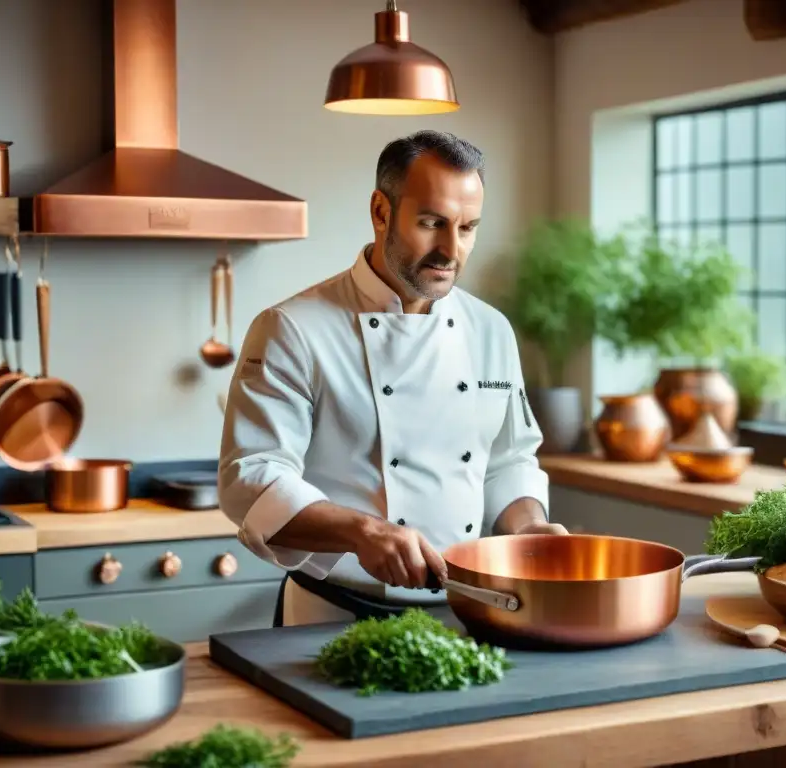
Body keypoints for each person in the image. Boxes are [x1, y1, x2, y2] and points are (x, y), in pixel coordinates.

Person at [218, 129, 566, 627]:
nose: (451, 250)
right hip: (333, 616)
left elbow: (507, 460)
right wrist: (363, 532)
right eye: (432, 223)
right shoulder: (292, 328)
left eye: (467, 228)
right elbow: (251, 477)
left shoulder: (491, 329)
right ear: (381, 212)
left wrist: (527, 526)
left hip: (469, 610)